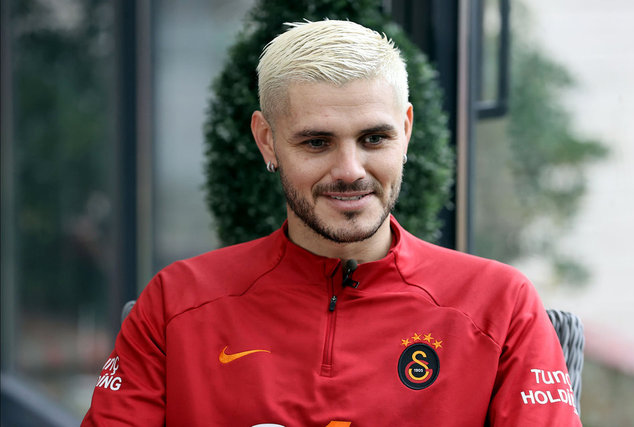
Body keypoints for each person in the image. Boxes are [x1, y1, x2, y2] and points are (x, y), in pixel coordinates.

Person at [82, 20, 581, 426]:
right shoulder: (176, 301)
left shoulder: (500, 303)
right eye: (316, 142)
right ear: (267, 140)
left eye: (374, 139)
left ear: (406, 131)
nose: (350, 171)